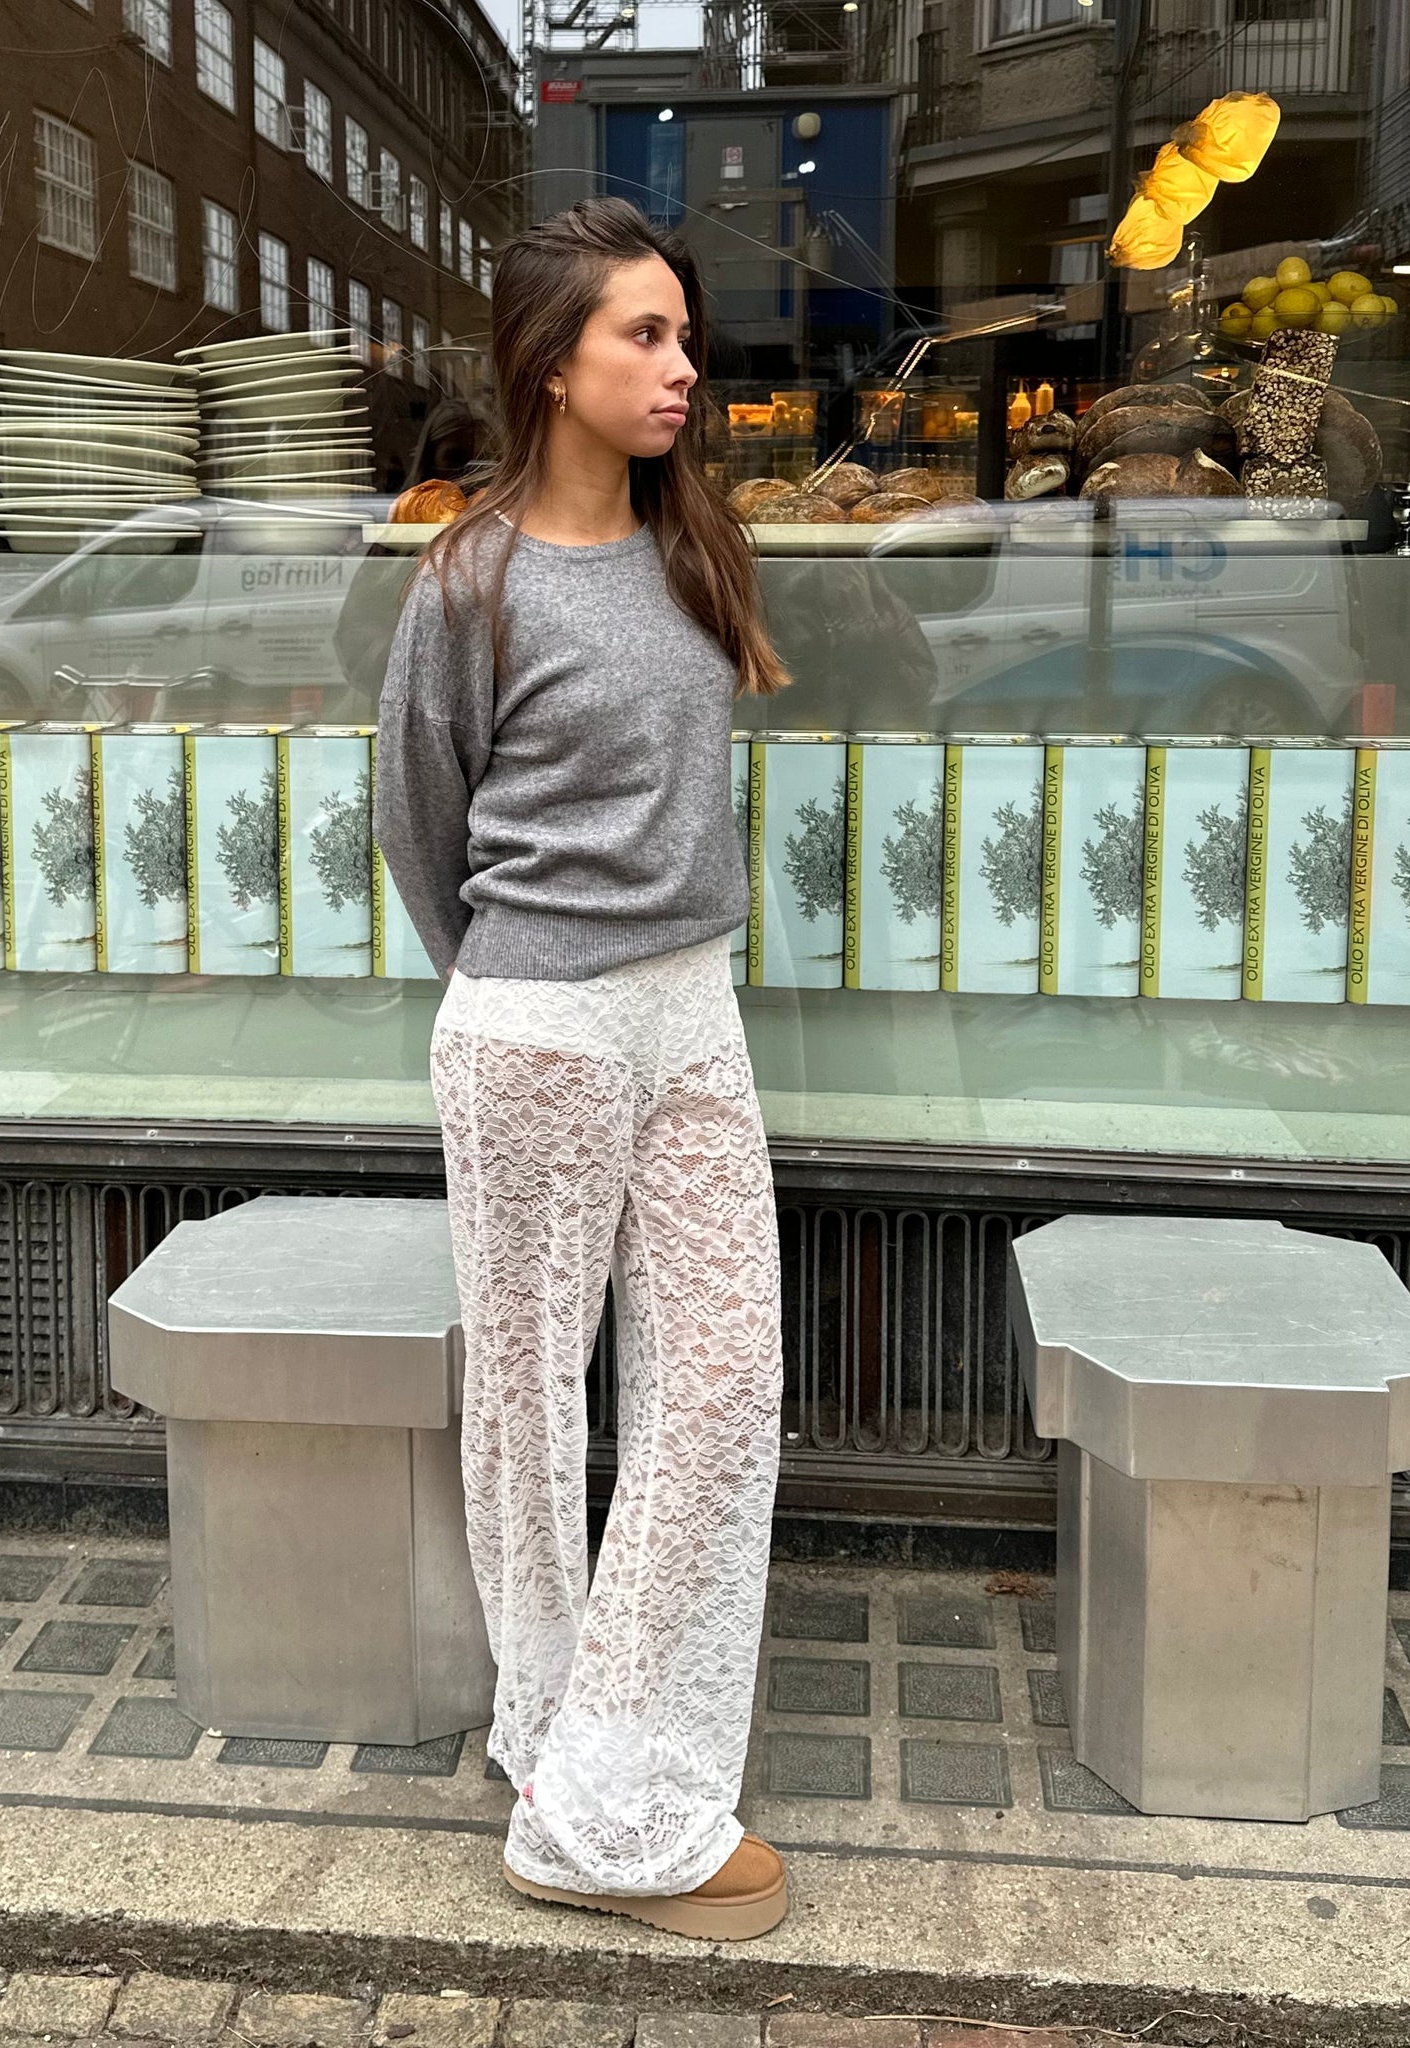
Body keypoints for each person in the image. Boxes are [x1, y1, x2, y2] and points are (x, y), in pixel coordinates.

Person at [372, 197, 792, 1943]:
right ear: (553, 365)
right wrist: (517, 988)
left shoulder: (695, 547)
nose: (684, 367)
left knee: (724, 1379)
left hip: (696, 1009)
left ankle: (605, 1760)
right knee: (532, 1414)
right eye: (647, 334)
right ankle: (580, 1792)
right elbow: (417, 820)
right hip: (538, 1018)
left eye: (686, 336)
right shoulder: (469, 579)